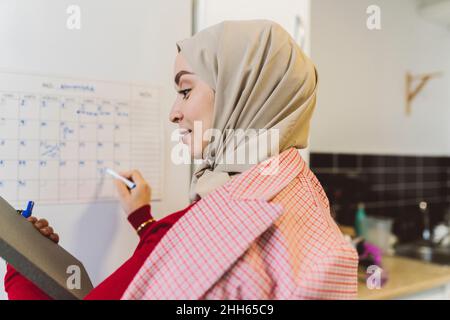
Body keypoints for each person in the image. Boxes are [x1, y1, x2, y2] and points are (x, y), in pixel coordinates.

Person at [4, 20, 358, 300]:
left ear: (241, 90)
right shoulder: (291, 188)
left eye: (185, 90)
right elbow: (176, 261)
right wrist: (143, 220)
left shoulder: (221, 224)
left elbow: (189, 254)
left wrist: (21, 263)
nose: (174, 113)